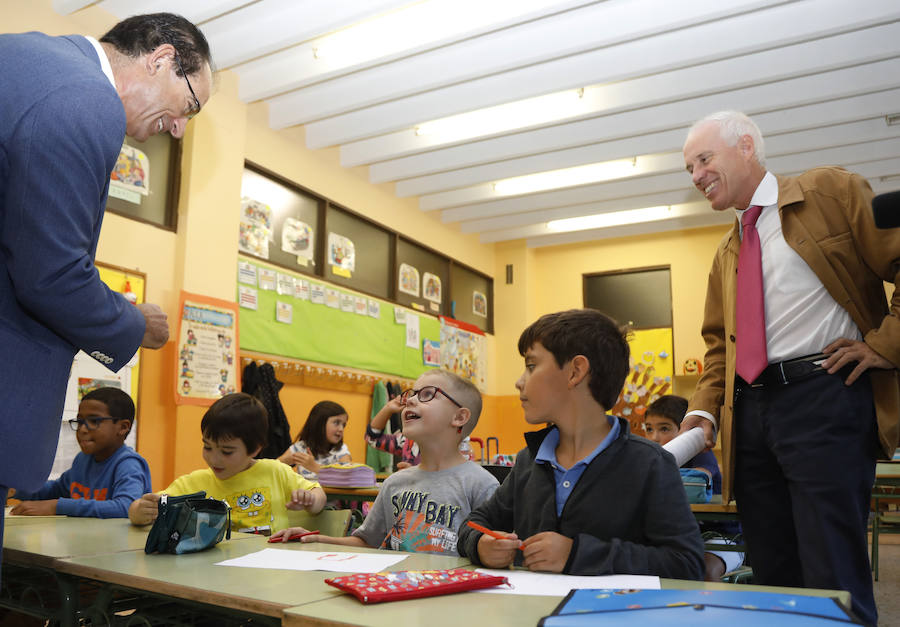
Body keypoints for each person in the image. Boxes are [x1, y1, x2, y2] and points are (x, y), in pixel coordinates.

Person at [0, 11, 213, 568]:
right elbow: (50, 275)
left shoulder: (26, 57)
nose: (181, 127)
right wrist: (134, 322)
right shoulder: (84, 97)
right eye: (190, 105)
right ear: (161, 59)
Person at [681, 110, 900, 625]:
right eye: (689, 168)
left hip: (824, 394)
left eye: (704, 159)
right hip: (750, 414)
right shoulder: (727, 251)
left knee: (831, 568)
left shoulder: (830, 193)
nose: (695, 176)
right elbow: (719, 349)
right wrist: (701, 413)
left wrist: (885, 344)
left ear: (747, 147)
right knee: (773, 569)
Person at [457, 309, 704, 579]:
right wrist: (480, 545)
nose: (518, 382)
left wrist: (577, 554)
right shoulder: (531, 460)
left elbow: (686, 563)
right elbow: (474, 524)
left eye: (531, 366)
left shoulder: (650, 463)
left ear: (575, 371)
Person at [270, 369, 499, 556]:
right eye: (412, 393)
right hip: (395, 597)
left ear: (459, 417)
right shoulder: (395, 483)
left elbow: (493, 554)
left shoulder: (481, 485)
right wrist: (318, 539)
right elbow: (369, 543)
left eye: (427, 394)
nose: (409, 400)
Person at [129, 393, 326, 535]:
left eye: (226, 451)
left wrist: (310, 500)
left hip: (270, 575)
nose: (214, 459)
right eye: (207, 447)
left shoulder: (275, 471)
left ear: (255, 449)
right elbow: (147, 507)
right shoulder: (195, 482)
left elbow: (319, 497)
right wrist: (139, 511)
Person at [9, 387, 151, 519]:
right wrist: (17, 489)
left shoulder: (128, 464)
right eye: (80, 421)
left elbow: (127, 507)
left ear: (123, 427)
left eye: (94, 421)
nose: (82, 429)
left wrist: (57, 506)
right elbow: (56, 490)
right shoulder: (83, 460)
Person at [643, 394, 743, 581]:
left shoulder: (700, 455)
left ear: (685, 432)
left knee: (705, 570)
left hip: (724, 539)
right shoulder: (652, 462)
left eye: (664, 429)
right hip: (680, 538)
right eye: (649, 429)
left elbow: (697, 479)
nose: (654, 437)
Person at [278, 401, 352, 480]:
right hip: (304, 491)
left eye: (343, 425)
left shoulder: (341, 450)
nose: (341, 429)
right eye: (336, 423)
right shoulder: (301, 447)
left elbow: (347, 476)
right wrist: (284, 461)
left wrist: (315, 467)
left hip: (328, 492)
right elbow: (270, 467)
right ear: (319, 424)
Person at [365, 395, 421, 469]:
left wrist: (413, 473)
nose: (410, 400)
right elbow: (372, 439)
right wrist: (388, 408)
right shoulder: (408, 441)